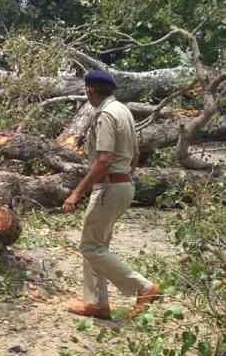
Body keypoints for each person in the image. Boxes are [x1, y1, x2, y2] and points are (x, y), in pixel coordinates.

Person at [62, 70, 160, 319]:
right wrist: (123, 177)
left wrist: (76, 192)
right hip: (123, 185)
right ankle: (96, 304)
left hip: (110, 187)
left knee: (90, 247)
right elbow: (136, 154)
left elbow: (103, 160)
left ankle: (144, 287)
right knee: (97, 244)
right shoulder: (123, 110)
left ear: (89, 90)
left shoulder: (105, 114)